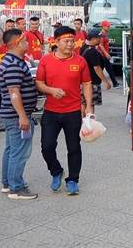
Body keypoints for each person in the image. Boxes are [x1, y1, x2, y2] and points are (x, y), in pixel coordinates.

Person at [35, 26, 93, 195]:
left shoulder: (80, 61)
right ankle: (56, 171)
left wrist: (88, 105)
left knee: (74, 147)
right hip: (51, 112)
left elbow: (87, 84)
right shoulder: (46, 60)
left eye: (72, 41)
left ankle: (73, 179)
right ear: (56, 41)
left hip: (73, 111)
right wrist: (51, 90)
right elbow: (39, 83)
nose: (70, 44)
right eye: (66, 41)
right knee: (47, 146)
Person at [0, 28, 39, 200]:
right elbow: (14, 92)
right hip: (16, 117)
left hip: (12, 115)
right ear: (17, 43)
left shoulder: (15, 61)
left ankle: (8, 183)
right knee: (20, 152)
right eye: (25, 40)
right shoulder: (13, 64)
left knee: (11, 150)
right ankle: (16, 187)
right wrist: (23, 116)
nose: (28, 43)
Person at [80, 29, 112, 116]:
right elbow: (97, 68)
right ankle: (90, 121)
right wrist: (106, 81)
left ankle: (82, 121)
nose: (100, 40)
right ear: (93, 39)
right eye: (99, 38)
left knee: (83, 103)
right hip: (93, 81)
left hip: (83, 80)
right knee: (91, 104)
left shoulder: (83, 48)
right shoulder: (93, 52)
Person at [97, 20, 121, 88]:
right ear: (103, 26)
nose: (109, 27)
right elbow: (100, 45)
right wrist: (106, 53)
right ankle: (96, 84)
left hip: (104, 56)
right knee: (100, 71)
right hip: (102, 56)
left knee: (110, 69)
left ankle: (115, 83)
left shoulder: (103, 34)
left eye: (109, 26)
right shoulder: (102, 35)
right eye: (107, 26)